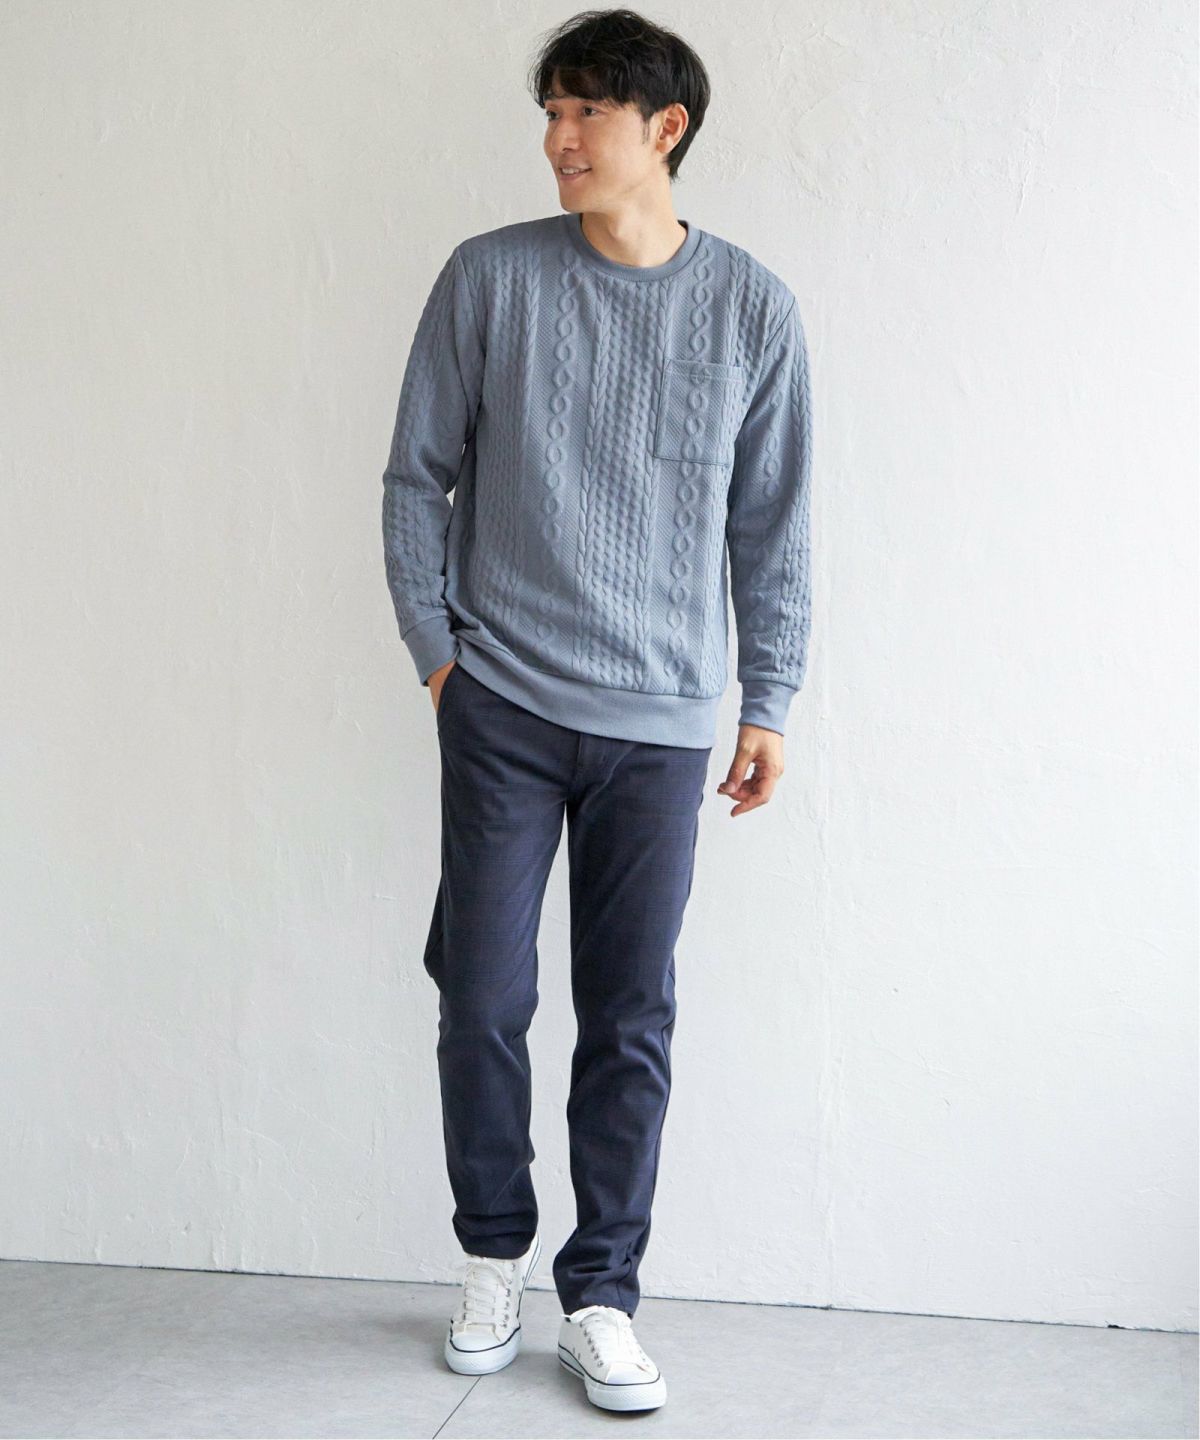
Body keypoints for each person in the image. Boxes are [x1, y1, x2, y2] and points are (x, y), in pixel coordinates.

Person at [381, 7, 813, 1415]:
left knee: (629, 1016)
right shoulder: (490, 277)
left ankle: (604, 1294)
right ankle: (491, 1256)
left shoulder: (752, 309)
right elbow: (416, 475)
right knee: (483, 996)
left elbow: (772, 523)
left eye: (586, 113)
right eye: (551, 115)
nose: (559, 139)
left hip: (664, 721)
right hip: (499, 700)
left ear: (663, 128)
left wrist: (769, 697)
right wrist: (439, 656)